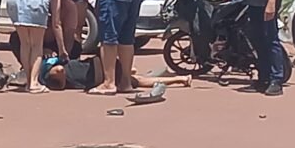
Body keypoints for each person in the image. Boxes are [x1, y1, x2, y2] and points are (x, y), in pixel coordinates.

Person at [6, 0, 67, 93]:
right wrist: (62, 49)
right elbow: (56, 23)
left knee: (25, 43)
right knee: (36, 45)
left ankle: (29, 81)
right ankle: (34, 83)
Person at [39, 53, 192, 91]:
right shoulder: (47, 75)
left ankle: (181, 79)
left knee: (139, 80)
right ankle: (181, 79)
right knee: (138, 80)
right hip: (96, 68)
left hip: (96, 74)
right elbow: (58, 71)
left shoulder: (47, 77)